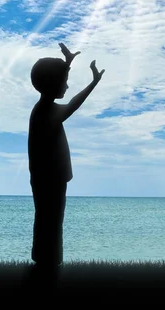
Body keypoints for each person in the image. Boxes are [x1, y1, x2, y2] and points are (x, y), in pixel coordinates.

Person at [27, 43, 105, 270]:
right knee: (50, 219)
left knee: (48, 219)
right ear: (52, 84)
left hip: (47, 178)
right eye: (63, 81)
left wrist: (67, 64)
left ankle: (47, 261)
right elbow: (73, 105)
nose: (67, 85)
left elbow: (57, 86)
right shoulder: (46, 112)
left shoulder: (42, 109)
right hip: (49, 178)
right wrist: (93, 83)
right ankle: (48, 263)